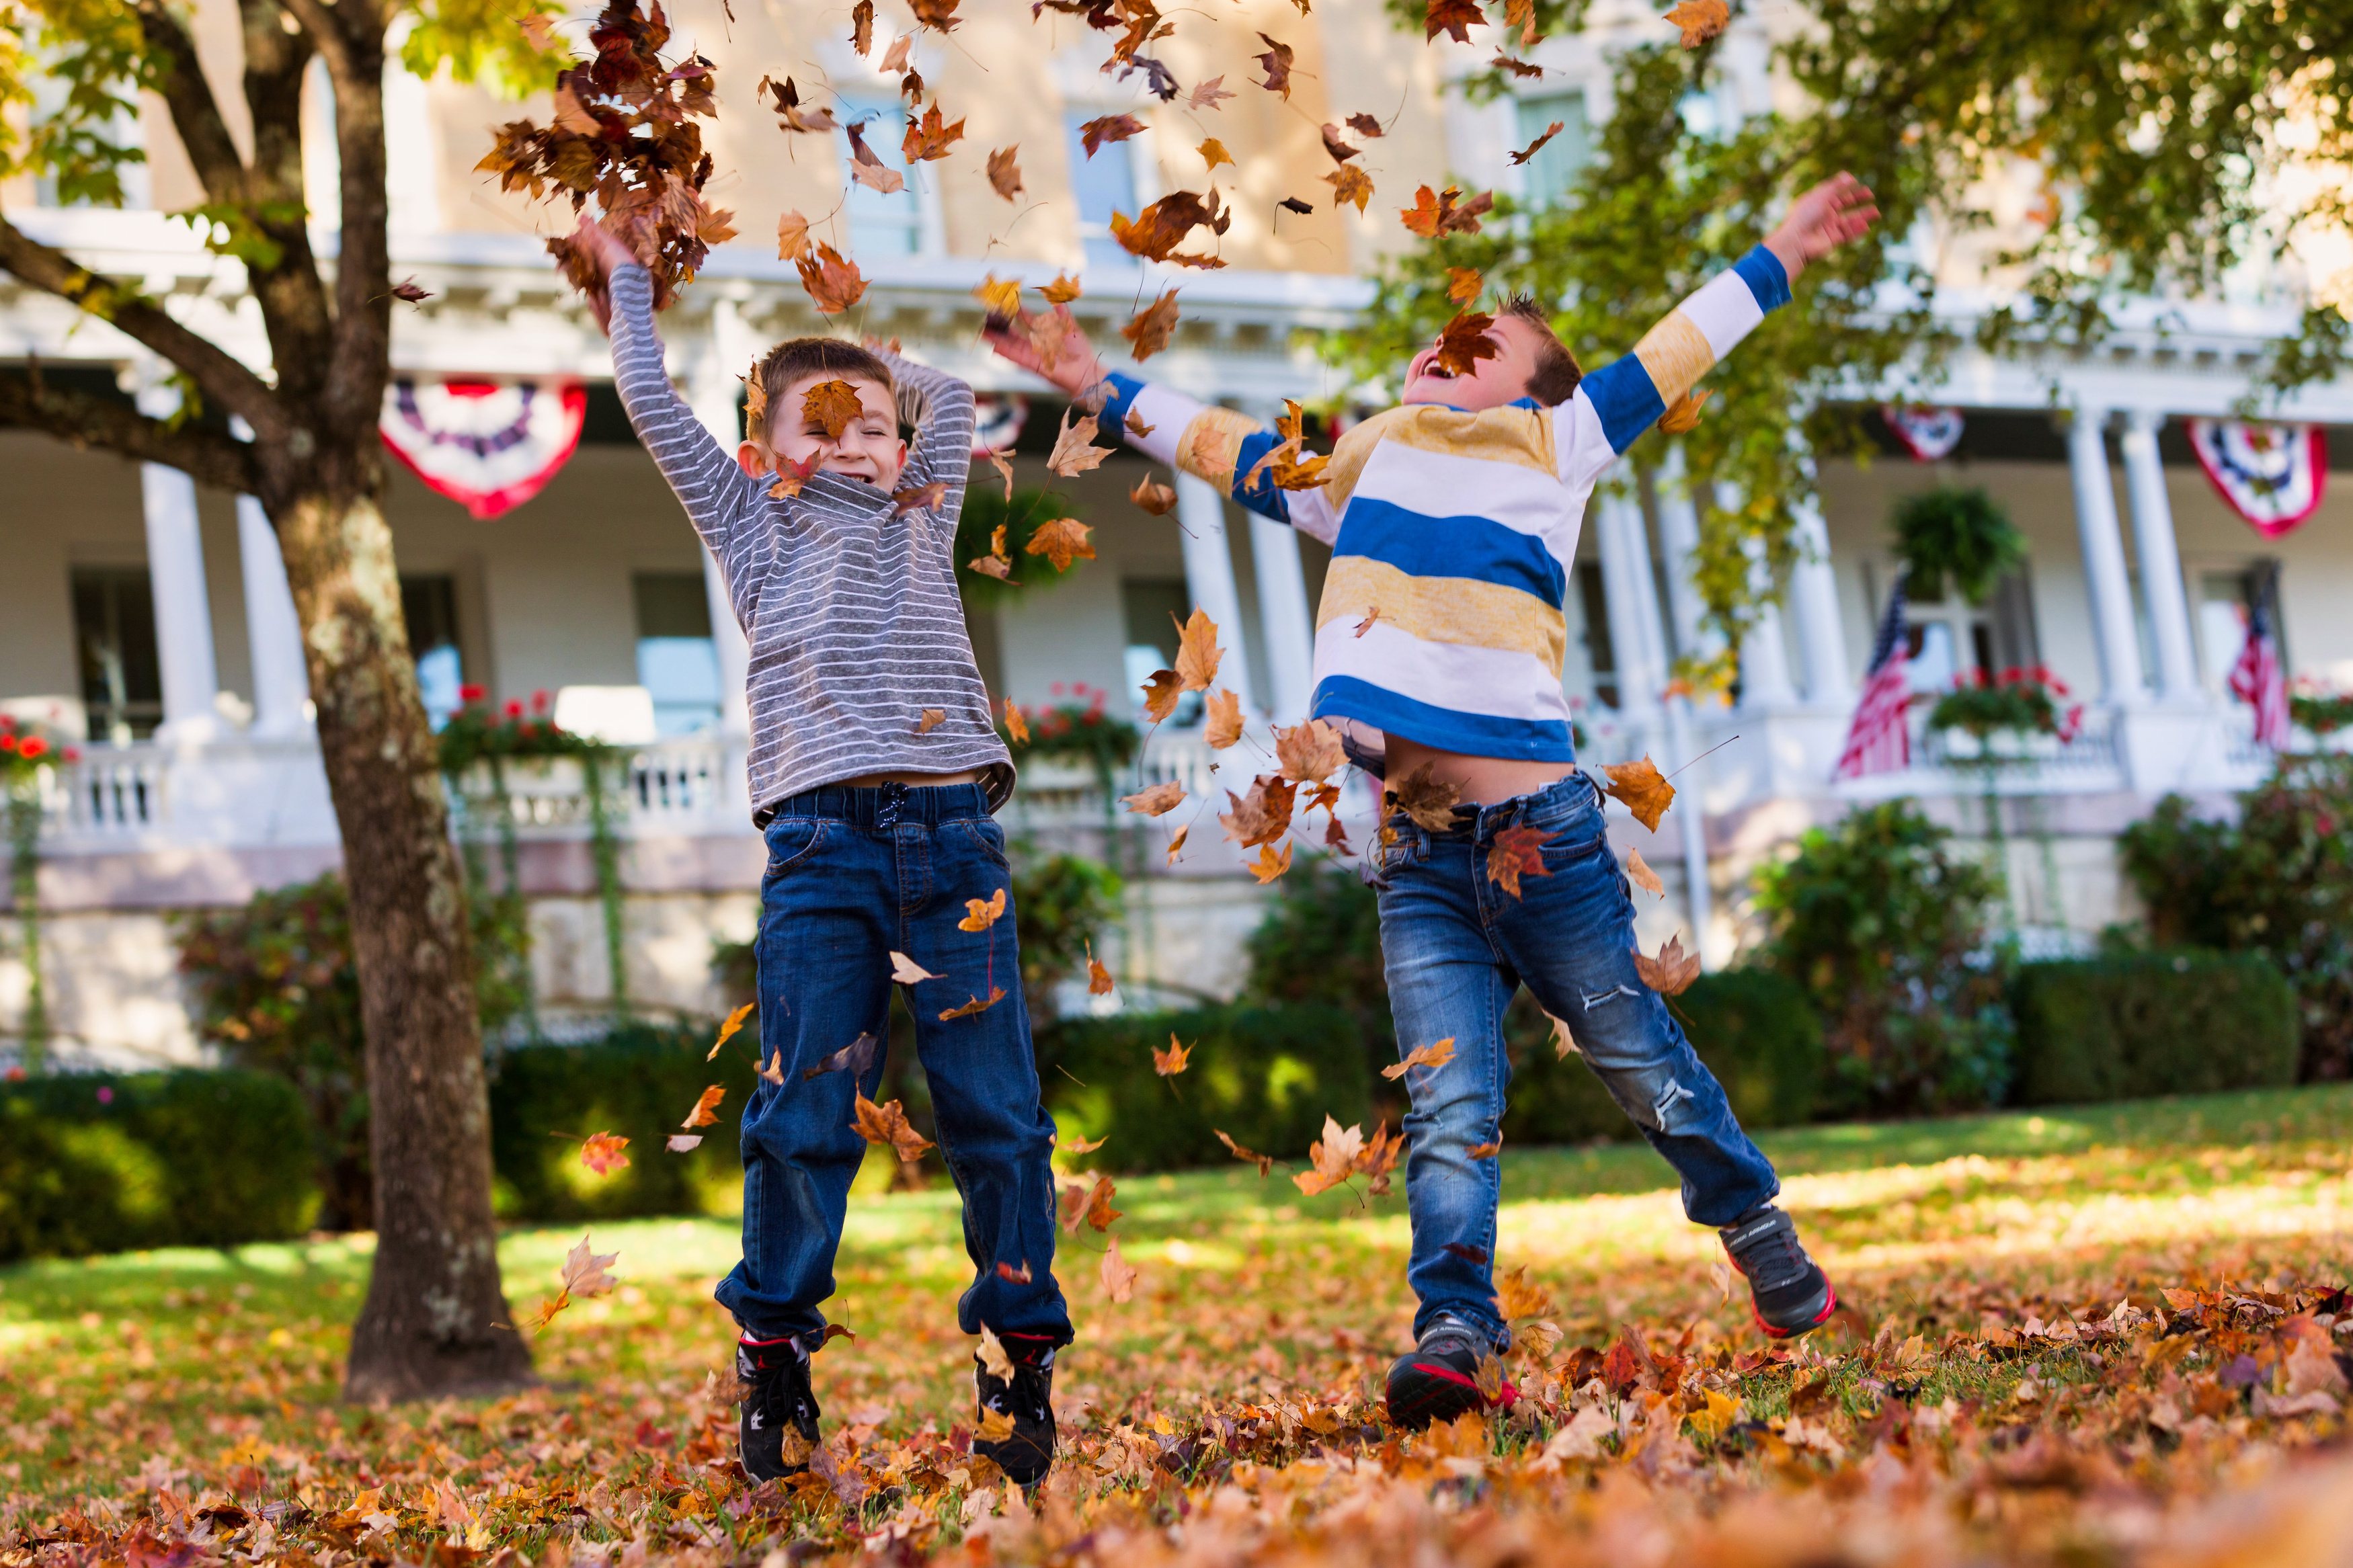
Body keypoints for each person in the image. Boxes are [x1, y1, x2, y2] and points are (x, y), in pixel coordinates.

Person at [988, 175, 1879, 1429]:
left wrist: (1779, 248)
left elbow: (1673, 349)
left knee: (1637, 1054)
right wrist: (1096, 386)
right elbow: (1230, 448)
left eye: (1487, 345)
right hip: (1417, 855)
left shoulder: (1553, 445)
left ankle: (1751, 1218)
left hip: (1544, 839)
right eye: (1442, 336)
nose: (1447, 348)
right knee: (1452, 1095)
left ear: (1534, 388)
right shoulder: (1361, 463)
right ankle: (1457, 1327)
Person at [561, 217, 1068, 1482]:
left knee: (998, 1115)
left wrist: (879, 353)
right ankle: (777, 1353)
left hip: (956, 850)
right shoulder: (749, 520)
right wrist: (626, 272)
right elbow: (644, 390)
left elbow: (948, 397)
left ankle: (1019, 1359)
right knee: (800, 1116)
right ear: (761, 455)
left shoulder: (922, 500)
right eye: (821, 426)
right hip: (823, 854)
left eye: (870, 427)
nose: (853, 446)